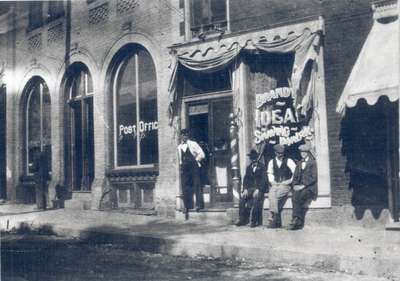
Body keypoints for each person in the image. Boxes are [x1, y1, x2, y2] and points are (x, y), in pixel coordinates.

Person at [287, 143, 318, 230]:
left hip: (309, 187)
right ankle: (297, 220)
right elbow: (295, 177)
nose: (302, 154)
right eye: (301, 152)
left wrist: (303, 186)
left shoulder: (312, 162)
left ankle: (296, 219)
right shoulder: (299, 163)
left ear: (308, 153)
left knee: (300, 196)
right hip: (300, 186)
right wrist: (295, 185)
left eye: (304, 152)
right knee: (294, 196)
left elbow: (313, 178)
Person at [177, 129, 205, 220]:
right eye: (182, 135)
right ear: (181, 136)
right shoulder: (179, 147)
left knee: (197, 184)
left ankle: (198, 205)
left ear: (188, 136)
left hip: (194, 167)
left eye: (185, 135)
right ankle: (187, 206)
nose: (184, 136)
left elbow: (202, 154)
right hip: (185, 168)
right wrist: (181, 166)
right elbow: (180, 159)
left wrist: (196, 160)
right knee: (185, 186)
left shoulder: (193, 144)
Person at [236, 149, 268, 228]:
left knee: (256, 199)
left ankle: (254, 221)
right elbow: (245, 180)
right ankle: (242, 219)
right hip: (250, 188)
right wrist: (245, 189)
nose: (253, 160)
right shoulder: (249, 168)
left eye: (254, 158)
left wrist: (259, 189)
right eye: (252, 158)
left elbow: (264, 180)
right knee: (242, 198)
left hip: (259, 189)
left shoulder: (262, 167)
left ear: (257, 158)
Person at [266, 144, 296, 228]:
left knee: (274, 196)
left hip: (285, 185)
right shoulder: (271, 162)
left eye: (282, 153)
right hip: (276, 184)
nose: (280, 155)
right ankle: (275, 216)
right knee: (271, 194)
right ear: (275, 153)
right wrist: (272, 181)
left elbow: (295, 172)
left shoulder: (289, 161)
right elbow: (269, 173)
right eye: (279, 153)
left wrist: (290, 181)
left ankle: (272, 217)